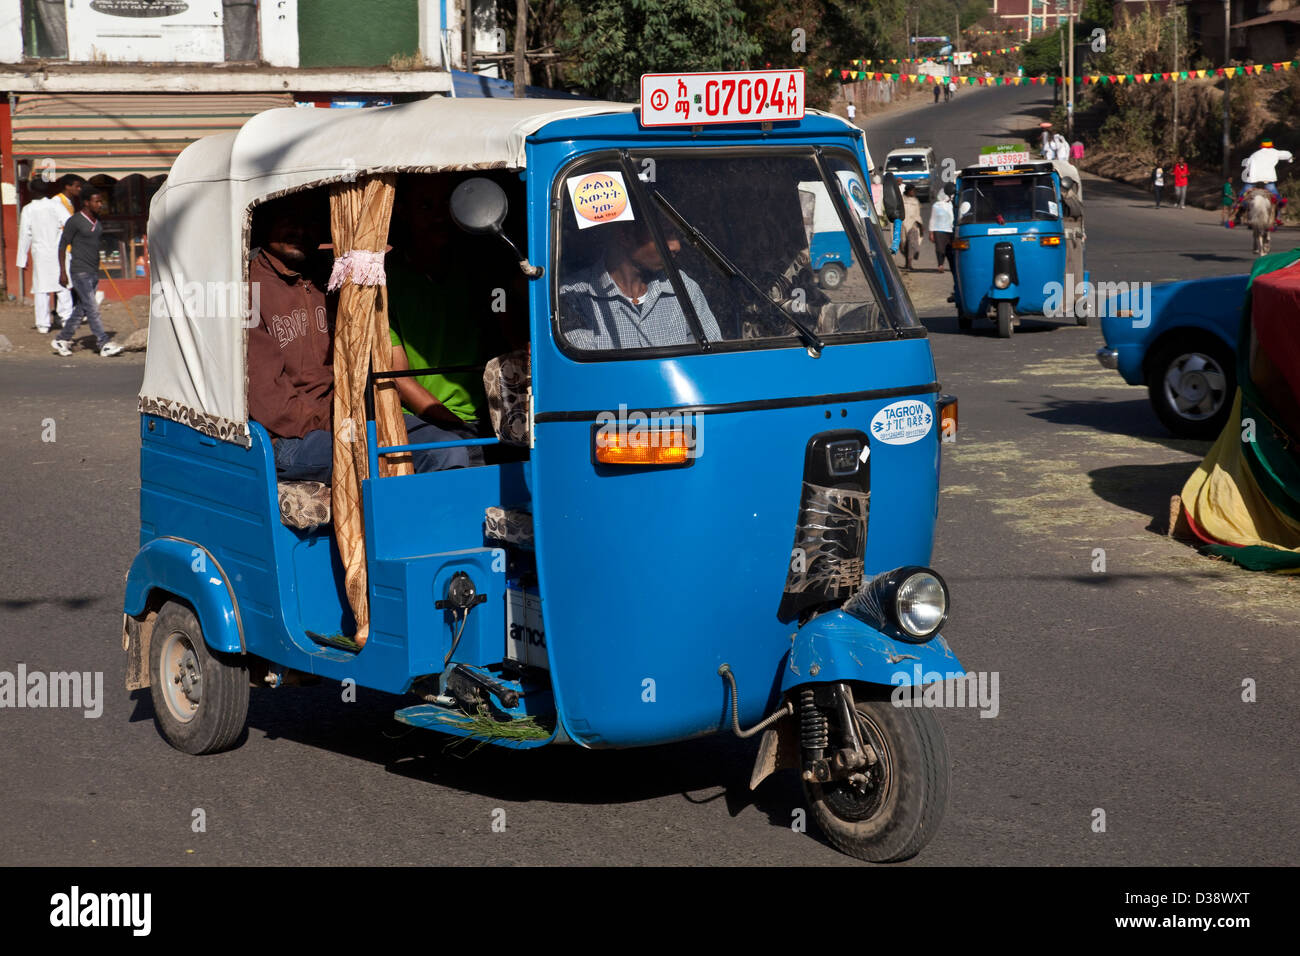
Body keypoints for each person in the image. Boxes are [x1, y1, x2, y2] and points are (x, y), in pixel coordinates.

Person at [245, 195, 457, 481]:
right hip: (291, 437)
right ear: (266, 224)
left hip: (353, 415)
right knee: (386, 459)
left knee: (448, 447)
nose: (301, 230)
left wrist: (367, 415)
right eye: (288, 219)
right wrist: (343, 421)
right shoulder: (248, 290)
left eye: (310, 221)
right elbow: (271, 403)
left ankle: (436, 525)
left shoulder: (332, 276)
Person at [386, 175, 506, 470]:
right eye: (426, 206)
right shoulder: (384, 281)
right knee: (453, 454)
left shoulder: (480, 271)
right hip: (422, 417)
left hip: (488, 411)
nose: (439, 215)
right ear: (403, 211)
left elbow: (506, 333)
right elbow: (398, 378)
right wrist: (457, 426)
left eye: (446, 204)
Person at [557, 217, 722, 351]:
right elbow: (590, 377)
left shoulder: (683, 288)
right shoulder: (574, 296)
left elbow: (710, 359)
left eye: (675, 235)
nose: (675, 246)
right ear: (625, 236)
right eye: (663, 234)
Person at [50, 188, 122, 357]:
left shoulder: (97, 220)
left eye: (101, 201)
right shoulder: (74, 221)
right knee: (92, 307)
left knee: (82, 308)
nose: (100, 204)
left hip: (93, 271)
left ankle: (62, 338)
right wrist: (62, 272)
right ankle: (103, 342)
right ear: (86, 203)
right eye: (96, 201)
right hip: (79, 271)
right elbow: (62, 246)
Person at [15, 180, 72, 334]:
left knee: (42, 288)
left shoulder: (28, 209)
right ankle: (66, 318)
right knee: (63, 285)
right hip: (58, 252)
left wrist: (22, 259)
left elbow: (24, 235)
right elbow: (70, 223)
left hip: (40, 254)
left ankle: (43, 324)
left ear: (32, 191)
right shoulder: (56, 206)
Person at [928, 186, 955, 273]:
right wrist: (931, 232)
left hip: (951, 230)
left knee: (950, 250)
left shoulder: (952, 205)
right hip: (939, 230)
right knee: (940, 249)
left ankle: (952, 266)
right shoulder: (936, 206)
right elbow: (933, 219)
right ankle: (940, 265)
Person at [899, 184, 924, 271]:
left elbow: (918, 215)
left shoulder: (915, 201)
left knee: (911, 243)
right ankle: (907, 262)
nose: (914, 193)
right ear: (908, 191)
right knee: (903, 245)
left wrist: (921, 226)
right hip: (903, 225)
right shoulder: (901, 200)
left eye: (914, 191)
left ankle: (909, 263)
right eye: (912, 191)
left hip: (913, 225)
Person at [881, 170, 905, 254]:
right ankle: (894, 248)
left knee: (896, 233)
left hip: (891, 212)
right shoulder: (894, 187)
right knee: (897, 233)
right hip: (898, 213)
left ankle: (894, 248)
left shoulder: (886, 187)